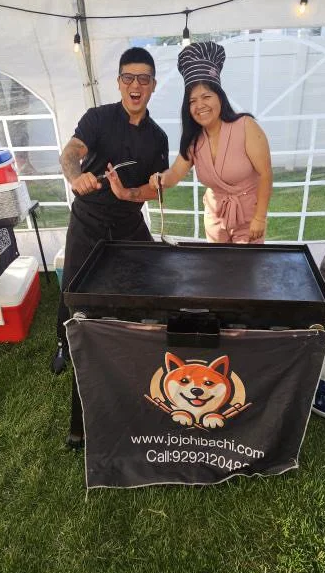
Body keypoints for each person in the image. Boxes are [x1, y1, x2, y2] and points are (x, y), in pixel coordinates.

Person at [53, 47, 168, 374]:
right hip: (88, 218)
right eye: (128, 77)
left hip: (128, 220)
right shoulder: (98, 118)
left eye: (143, 79)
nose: (136, 85)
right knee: (74, 284)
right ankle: (64, 343)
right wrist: (77, 177)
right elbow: (70, 153)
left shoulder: (158, 137)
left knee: (147, 275)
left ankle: (132, 335)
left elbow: (155, 188)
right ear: (119, 82)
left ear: (153, 85)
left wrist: (126, 193)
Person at [149, 41, 272, 243]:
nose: (200, 105)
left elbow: (265, 174)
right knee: (215, 262)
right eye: (192, 101)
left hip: (249, 219)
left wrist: (260, 217)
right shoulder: (194, 139)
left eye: (206, 96)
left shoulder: (246, 126)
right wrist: (161, 178)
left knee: (246, 263)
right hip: (215, 219)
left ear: (220, 97)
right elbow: (175, 173)